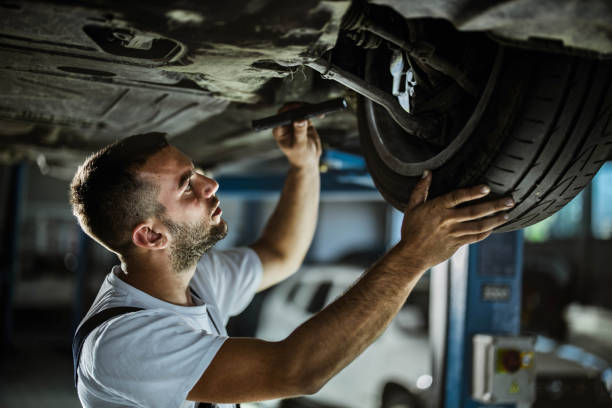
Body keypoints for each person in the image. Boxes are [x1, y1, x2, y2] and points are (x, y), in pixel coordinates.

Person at [69, 108, 515, 408]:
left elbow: (279, 254)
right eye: (188, 185)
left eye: (197, 170)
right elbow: (296, 371)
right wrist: (413, 255)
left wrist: (303, 167)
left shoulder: (192, 278)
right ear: (150, 235)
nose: (211, 185)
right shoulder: (121, 345)